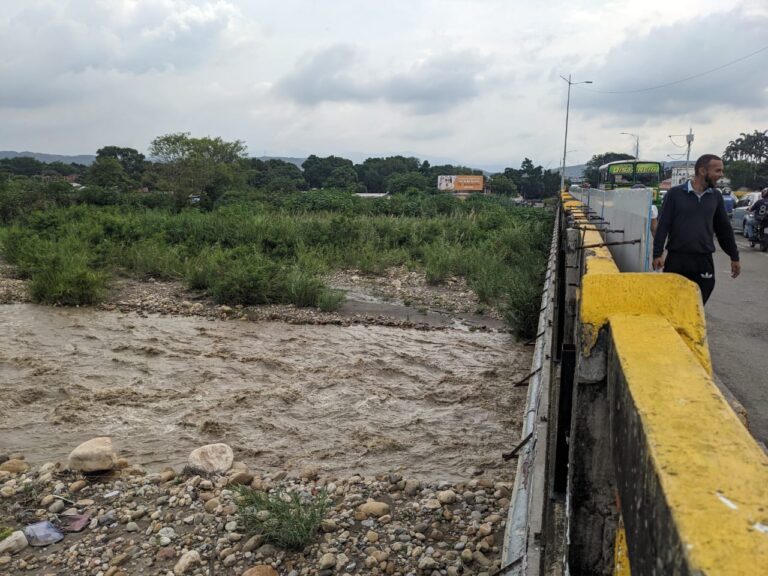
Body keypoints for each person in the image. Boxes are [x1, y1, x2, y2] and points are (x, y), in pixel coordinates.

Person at [652, 154, 740, 304]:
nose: (721, 175)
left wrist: (734, 256)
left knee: (698, 303)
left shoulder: (716, 197)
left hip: (703, 260)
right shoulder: (675, 194)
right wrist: (657, 254)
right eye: (717, 171)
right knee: (672, 303)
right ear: (702, 171)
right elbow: (663, 225)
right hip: (677, 259)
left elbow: (724, 230)